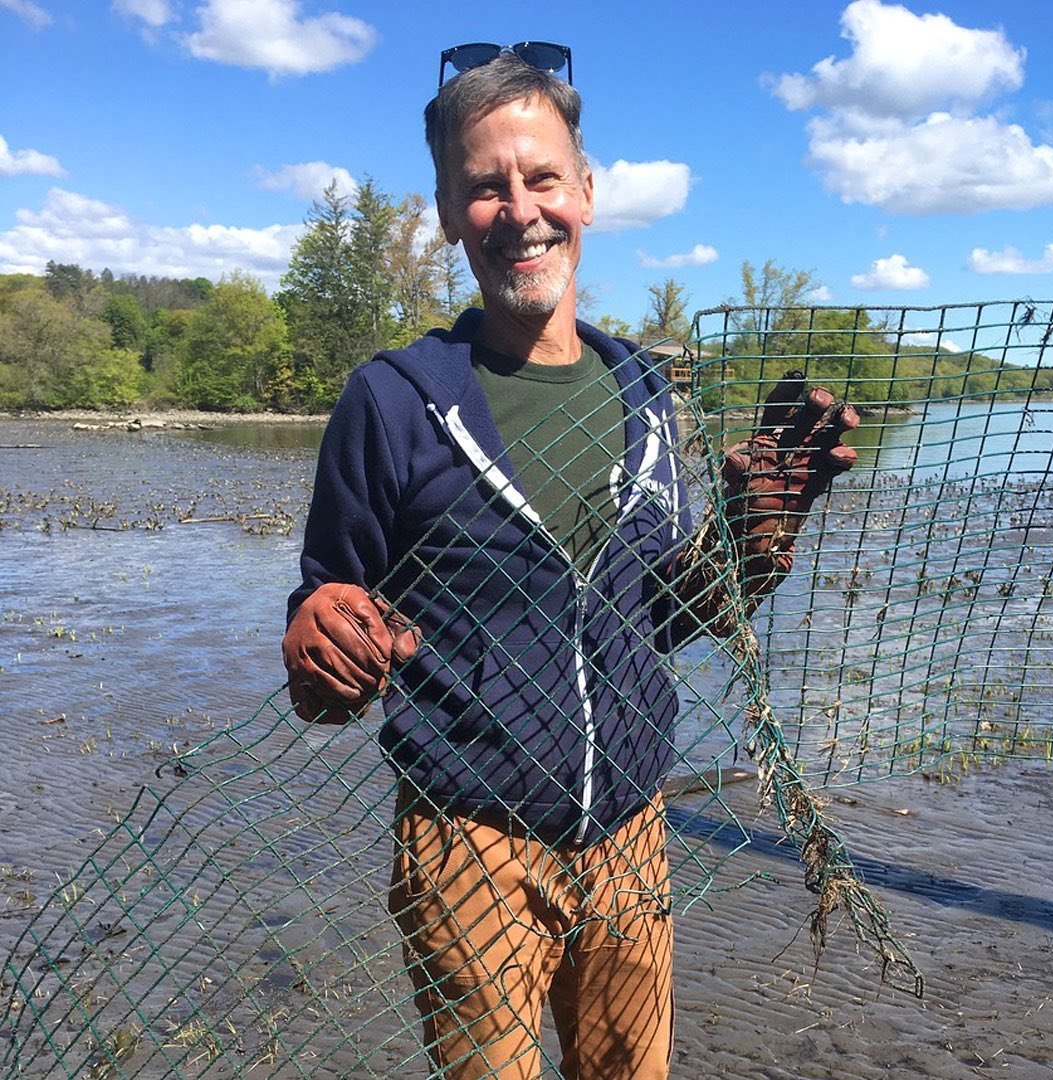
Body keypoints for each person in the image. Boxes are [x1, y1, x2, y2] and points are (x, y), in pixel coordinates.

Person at [283, 45, 857, 1080]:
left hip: (636, 830)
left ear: (586, 193)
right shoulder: (392, 401)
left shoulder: (643, 386)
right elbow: (325, 658)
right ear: (451, 215)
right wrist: (317, 636)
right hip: (468, 845)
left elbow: (667, 613)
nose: (520, 209)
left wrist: (756, 530)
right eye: (485, 187)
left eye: (542, 177)